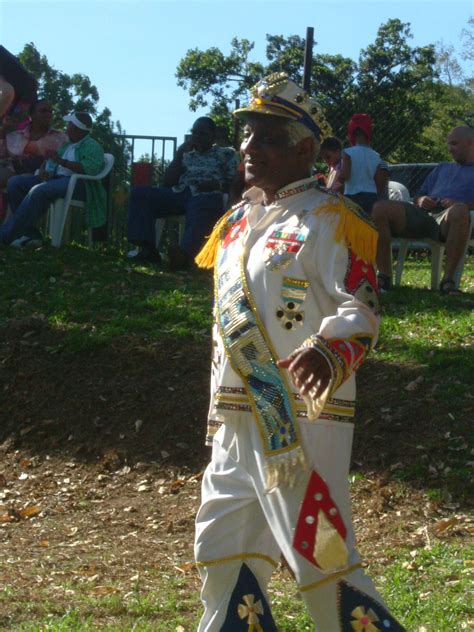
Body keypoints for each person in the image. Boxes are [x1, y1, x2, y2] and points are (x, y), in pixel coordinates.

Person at [193, 72, 405, 631]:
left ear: (305, 149)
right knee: (220, 552)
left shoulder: (331, 220)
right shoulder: (235, 224)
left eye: (265, 137)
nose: (247, 149)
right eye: (246, 136)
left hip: (303, 416)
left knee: (322, 561)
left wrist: (329, 351)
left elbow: (361, 308)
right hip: (238, 416)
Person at [127, 116, 239, 269]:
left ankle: (184, 255)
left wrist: (216, 184)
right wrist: (180, 153)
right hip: (180, 192)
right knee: (140, 194)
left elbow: (235, 182)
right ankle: (147, 249)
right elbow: (167, 183)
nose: (197, 137)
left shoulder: (227, 154)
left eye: (202, 133)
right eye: (194, 133)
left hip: (206, 193)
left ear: (213, 136)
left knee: (203, 205)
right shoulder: (187, 155)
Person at [373, 125, 474, 294]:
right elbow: (418, 195)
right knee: (380, 208)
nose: (449, 148)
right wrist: (421, 200)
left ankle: (447, 281)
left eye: (454, 144)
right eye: (449, 144)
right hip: (423, 214)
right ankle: (384, 277)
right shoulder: (442, 167)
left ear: (471, 143)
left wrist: (460, 203)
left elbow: (462, 208)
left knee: (459, 210)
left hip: (449, 220)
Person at [1, 112, 105, 247]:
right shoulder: (67, 145)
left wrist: (63, 162)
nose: (67, 127)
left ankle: (5, 236)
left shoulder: (92, 146)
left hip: (78, 185)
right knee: (15, 183)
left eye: (70, 124)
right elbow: (52, 162)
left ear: (77, 129)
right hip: (56, 180)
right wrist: (45, 170)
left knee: (39, 190)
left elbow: (90, 169)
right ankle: (31, 235)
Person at [0, 99, 67, 187]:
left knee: (16, 182)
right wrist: (2, 130)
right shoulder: (14, 136)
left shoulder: (61, 138)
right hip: (12, 173)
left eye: (51, 111)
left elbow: (65, 163)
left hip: (43, 177)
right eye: (43, 111)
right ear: (31, 115)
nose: (48, 114)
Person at [337, 113, 388, 216]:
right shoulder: (376, 156)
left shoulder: (347, 153)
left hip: (352, 196)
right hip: (371, 196)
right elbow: (378, 181)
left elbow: (345, 175)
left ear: (352, 134)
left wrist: (339, 179)